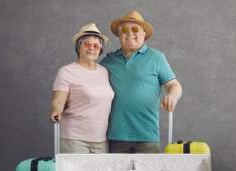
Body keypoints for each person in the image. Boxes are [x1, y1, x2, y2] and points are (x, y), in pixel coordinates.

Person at [100, 11, 183, 153]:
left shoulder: (156, 57)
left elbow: (174, 85)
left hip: (147, 135)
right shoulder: (108, 61)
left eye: (135, 29)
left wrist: (172, 96)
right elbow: (90, 82)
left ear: (143, 34)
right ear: (119, 35)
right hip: (117, 135)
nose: (130, 33)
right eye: (125, 30)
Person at [50, 23, 114, 153]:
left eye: (96, 46)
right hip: (74, 139)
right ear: (79, 47)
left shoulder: (104, 71)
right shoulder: (67, 71)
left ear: (100, 50)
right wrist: (56, 110)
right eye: (86, 44)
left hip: (100, 139)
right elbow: (58, 100)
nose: (91, 48)